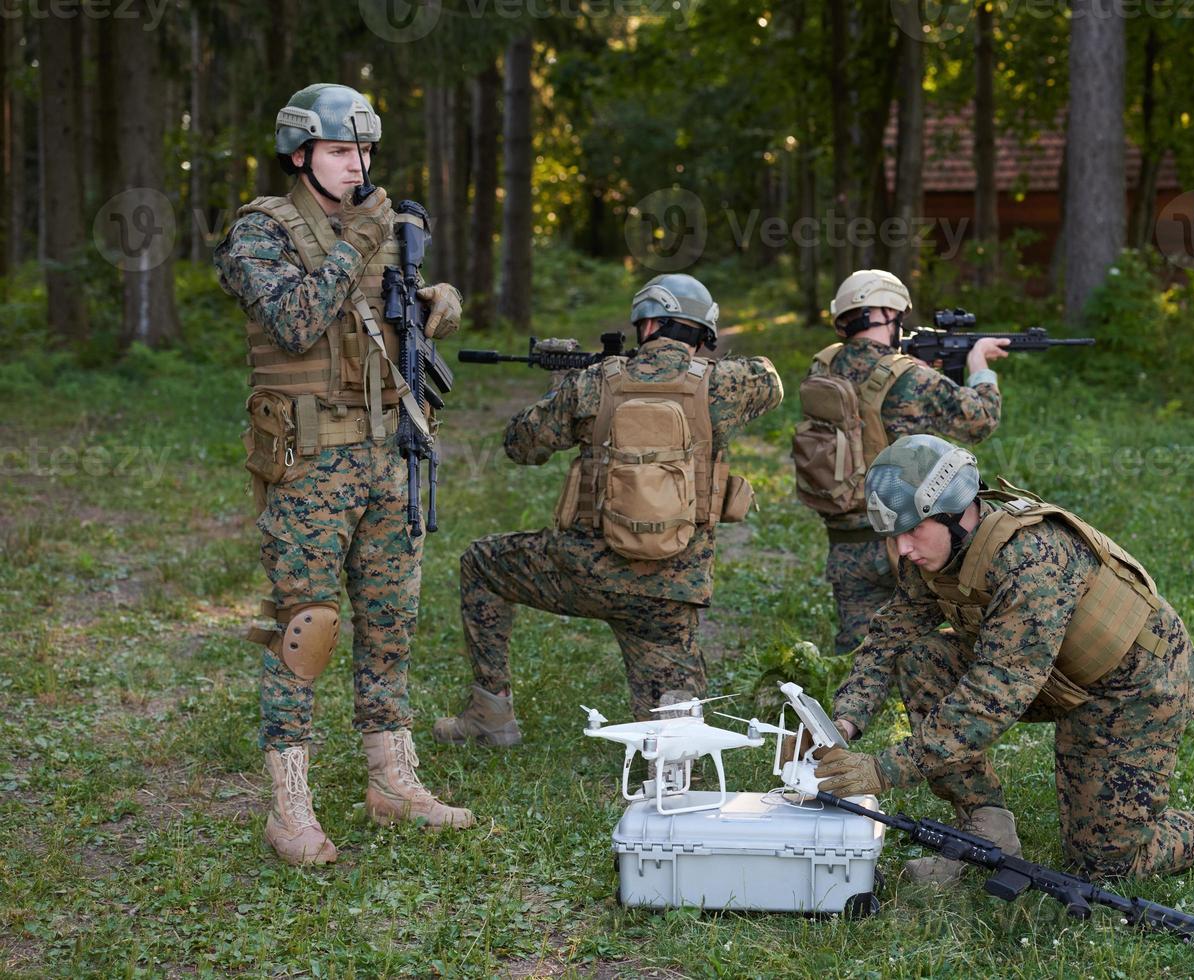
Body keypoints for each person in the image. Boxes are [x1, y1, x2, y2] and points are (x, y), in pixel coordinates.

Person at [812, 434, 1194, 884]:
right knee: (922, 658)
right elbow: (888, 639)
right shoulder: (936, 555)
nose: (902, 548)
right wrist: (842, 725)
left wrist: (883, 769)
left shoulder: (1032, 561)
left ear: (957, 513)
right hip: (1053, 676)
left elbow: (991, 698)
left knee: (1107, 867)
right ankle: (987, 831)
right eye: (893, 536)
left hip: (1132, 690)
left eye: (913, 530)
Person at [215, 83, 472, 866]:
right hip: (308, 461)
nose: (356, 165)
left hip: (390, 453)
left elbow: (381, 318)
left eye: (364, 151)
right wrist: (360, 238)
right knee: (306, 630)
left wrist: (433, 303)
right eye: (338, 150)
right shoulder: (263, 230)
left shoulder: (384, 227)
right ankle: (288, 808)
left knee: (391, 621)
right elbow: (294, 321)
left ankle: (391, 780)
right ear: (300, 154)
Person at [433, 273, 784, 743]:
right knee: (674, 737)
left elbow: (521, 445)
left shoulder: (592, 383)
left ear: (647, 323)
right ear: (703, 335)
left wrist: (570, 385)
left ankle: (489, 716)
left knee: (481, 563)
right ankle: (673, 753)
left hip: (584, 574)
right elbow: (772, 382)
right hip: (669, 593)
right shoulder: (728, 384)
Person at [792, 269, 1006, 655]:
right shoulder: (911, 378)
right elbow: (980, 419)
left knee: (857, 653)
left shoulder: (822, 367)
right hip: (908, 535)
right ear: (889, 315)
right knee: (919, 648)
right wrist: (979, 366)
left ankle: (847, 710)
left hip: (844, 537)